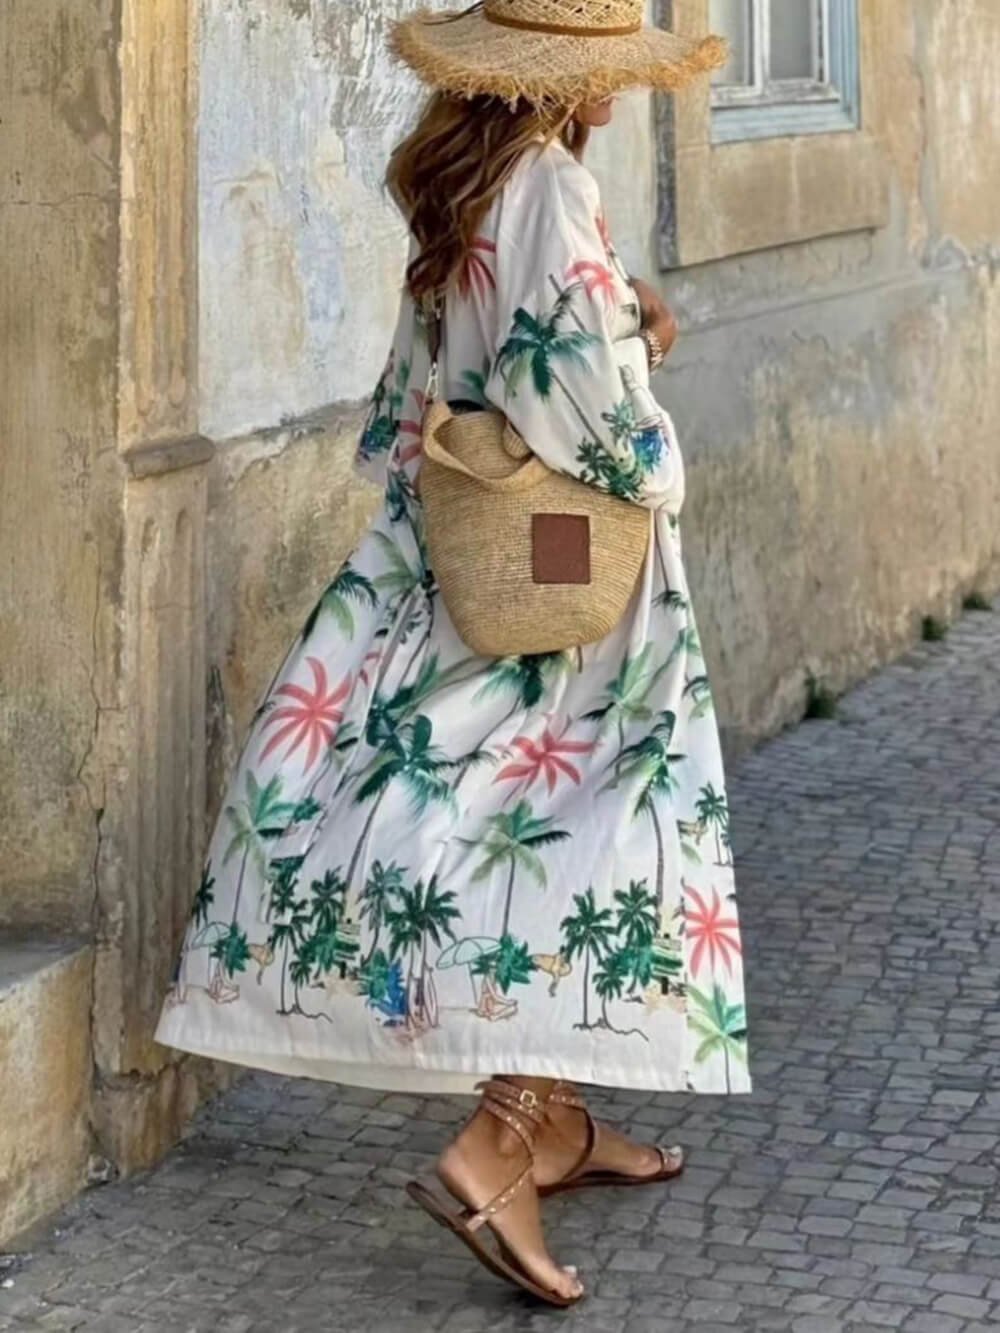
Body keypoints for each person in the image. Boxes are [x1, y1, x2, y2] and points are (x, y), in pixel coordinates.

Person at [155, 0, 750, 1308]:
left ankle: (555, 1121)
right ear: (568, 82)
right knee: (592, 826)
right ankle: (498, 1143)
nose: (618, 94)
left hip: (468, 542)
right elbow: (581, 393)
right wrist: (656, 432)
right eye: (608, 76)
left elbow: (420, 391)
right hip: (565, 563)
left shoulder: (465, 185)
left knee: (514, 804)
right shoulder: (547, 189)